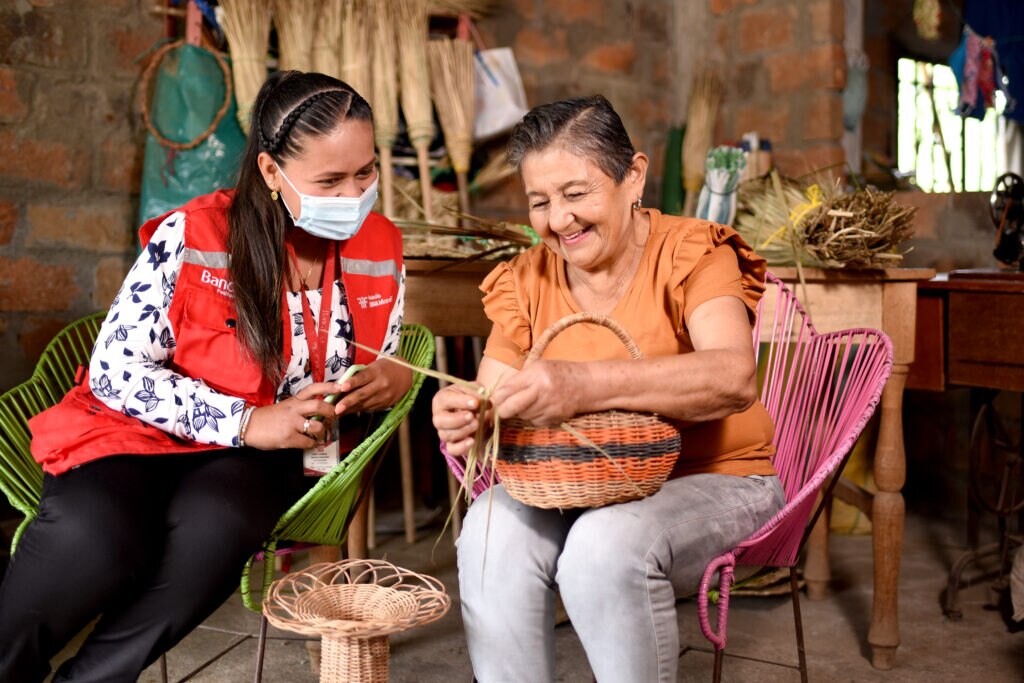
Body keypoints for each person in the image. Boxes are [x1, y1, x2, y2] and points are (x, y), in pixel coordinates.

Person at [0, 71, 412, 682]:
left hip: (256, 457)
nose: (353, 195)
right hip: (134, 429)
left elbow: (388, 352)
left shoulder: (380, 245)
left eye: (366, 172)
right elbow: (117, 370)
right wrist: (246, 419)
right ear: (272, 173)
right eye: (329, 181)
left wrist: (390, 380)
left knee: (219, 526)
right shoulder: (194, 236)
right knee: (97, 536)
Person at [432, 95, 786, 683]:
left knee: (602, 547)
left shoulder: (693, 252)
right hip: (582, 484)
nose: (559, 220)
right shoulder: (526, 278)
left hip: (720, 478)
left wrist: (585, 384)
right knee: (491, 528)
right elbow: (490, 401)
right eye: (540, 202)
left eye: (576, 194)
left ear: (634, 176)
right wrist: (468, 415)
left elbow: (733, 377)